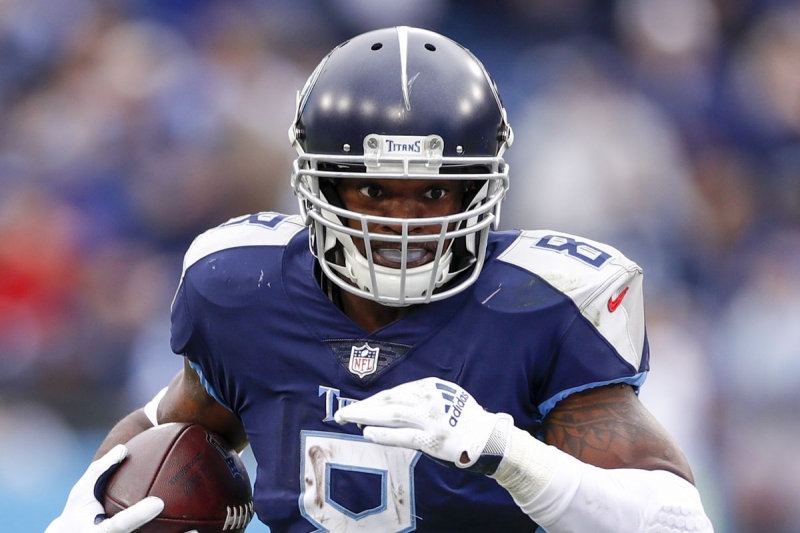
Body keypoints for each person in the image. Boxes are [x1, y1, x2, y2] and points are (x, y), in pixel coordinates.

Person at [46, 26, 714, 533]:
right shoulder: (244, 288)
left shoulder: (541, 303)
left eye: (434, 192)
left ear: (481, 188)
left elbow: (680, 523)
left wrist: (506, 451)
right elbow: (166, 428)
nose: (402, 220)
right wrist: (85, 509)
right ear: (319, 186)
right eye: (373, 190)